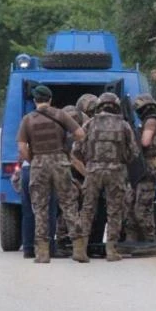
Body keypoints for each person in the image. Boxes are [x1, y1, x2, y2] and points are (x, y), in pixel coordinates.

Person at [16, 85, 85, 263]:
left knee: (40, 207)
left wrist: (34, 160)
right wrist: (65, 146)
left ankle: (43, 254)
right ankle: (79, 250)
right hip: (60, 162)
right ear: (50, 99)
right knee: (69, 204)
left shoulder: (27, 119)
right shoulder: (61, 115)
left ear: (34, 101)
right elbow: (80, 134)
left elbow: (22, 147)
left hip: (39, 164)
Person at [77, 92, 140, 262]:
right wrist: (122, 160)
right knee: (114, 210)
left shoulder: (89, 124)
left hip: (93, 171)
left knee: (88, 209)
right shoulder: (124, 125)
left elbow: (76, 149)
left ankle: (80, 249)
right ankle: (111, 250)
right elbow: (134, 152)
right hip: (116, 172)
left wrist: (89, 160)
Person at [129, 93, 156, 243]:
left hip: (149, 169)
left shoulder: (151, 122)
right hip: (154, 168)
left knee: (141, 209)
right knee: (134, 205)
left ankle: (150, 241)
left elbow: (145, 142)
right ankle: (134, 240)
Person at [54, 105, 88, 257]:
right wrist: (88, 176)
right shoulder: (75, 137)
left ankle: (63, 240)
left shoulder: (58, 134)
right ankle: (65, 241)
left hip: (62, 176)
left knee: (65, 209)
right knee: (69, 209)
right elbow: (75, 160)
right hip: (70, 178)